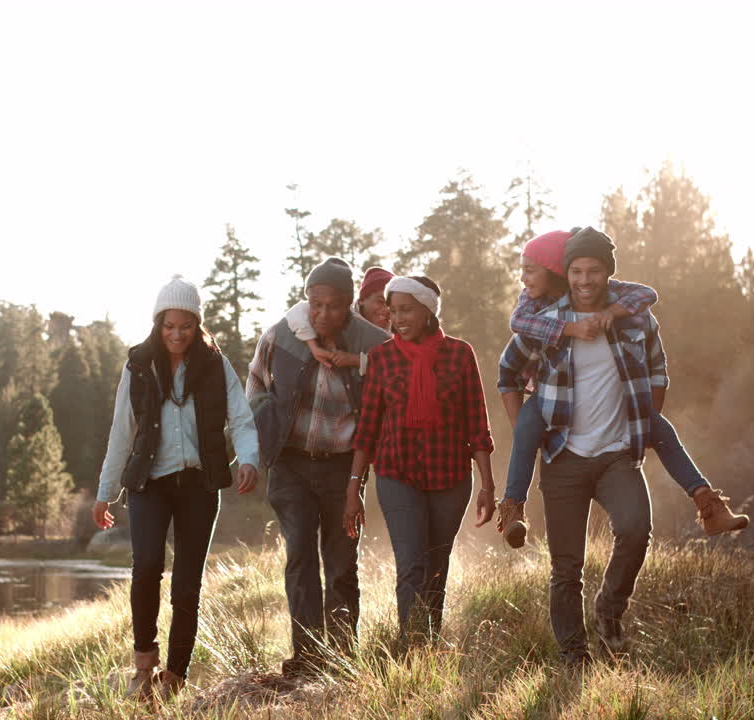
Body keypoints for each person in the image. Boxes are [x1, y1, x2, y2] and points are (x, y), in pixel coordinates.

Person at [494, 228, 749, 549]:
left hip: (614, 415)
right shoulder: (534, 305)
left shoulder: (612, 297)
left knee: (662, 430)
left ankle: (708, 504)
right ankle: (512, 507)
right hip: (549, 398)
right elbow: (518, 326)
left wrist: (611, 312)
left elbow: (647, 295)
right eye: (577, 271)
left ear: (552, 269)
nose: (523, 278)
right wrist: (570, 328)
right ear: (566, 271)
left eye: (530, 270)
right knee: (526, 426)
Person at [495, 229, 664, 665]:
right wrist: (525, 429)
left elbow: (658, 371)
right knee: (566, 567)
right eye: (577, 271)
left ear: (608, 272)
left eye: (594, 270)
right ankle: (573, 655)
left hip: (617, 455)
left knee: (635, 530)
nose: (585, 280)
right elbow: (507, 372)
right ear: (566, 273)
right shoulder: (547, 321)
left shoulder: (634, 318)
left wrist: (642, 425)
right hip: (563, 457)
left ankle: (610, 609)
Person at [93, 274, 260, 700]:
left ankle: (175, 677)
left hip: (199, 486)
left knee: (187, 584)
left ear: (197, 324)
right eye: (169, 325)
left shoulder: (215, 364)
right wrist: (105, 492)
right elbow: (121, 432)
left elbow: (241, 417)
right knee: (147, 567)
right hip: (149, 485)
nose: (177, 334)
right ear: (158, 323)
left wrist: (249, 459)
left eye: (185, 326)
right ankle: (144, 667)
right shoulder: (138, 365)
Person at [245, 257, 389, 676]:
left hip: (343, 468)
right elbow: (255, 380)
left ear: (350, 305)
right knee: (300, 558)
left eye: (334, 305)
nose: (323, 313)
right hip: (290, 465)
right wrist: (264, 423)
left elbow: (388, 394)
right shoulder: (281, 335)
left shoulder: (373, 342)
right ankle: (307, 659)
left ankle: (341, 659)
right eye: (316, 304)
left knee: (342, 563)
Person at [344, 276, 496, 644]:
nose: (398, 319)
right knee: (412, 564)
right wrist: (354, 487)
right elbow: (368, 428)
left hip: (450, 477)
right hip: (397, 474)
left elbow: (477, 424)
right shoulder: (382, 358)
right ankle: (411, 651)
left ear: (428, 310)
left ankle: (428, 646)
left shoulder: (460, 354)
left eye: (407, 310)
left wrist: (487, 485)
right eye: (393, 311)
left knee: (436, 568)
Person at [286, 266, 393, 371]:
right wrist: (314, 346)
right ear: (361, 300)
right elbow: (297, 312)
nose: (387, 310)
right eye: (380, 301)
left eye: (392, 305)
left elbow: (394, 364)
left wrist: (357, 360)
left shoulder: (391, 333)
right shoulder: (343, 313)